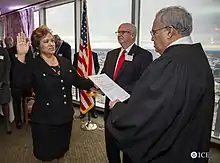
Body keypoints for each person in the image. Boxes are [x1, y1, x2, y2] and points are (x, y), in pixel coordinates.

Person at [106, 6, 215, 163]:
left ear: (169, 31)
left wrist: (117, 109)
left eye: (154, 32)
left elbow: (147, 117)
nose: (152, 38)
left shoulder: (169, 64)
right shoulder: (197, 58)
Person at [14, 25, 95, 163]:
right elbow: (19, 84)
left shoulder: (64, 62)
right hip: (45, 120)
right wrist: (21, 57)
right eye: (46, 41)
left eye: (52, 40)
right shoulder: (33, 65)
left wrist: (93, 84)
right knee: (46, 155)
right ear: (37, 45)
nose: (51, 44)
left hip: (65, 116)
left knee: (61, 151)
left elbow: (76, 80)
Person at [101, 23, 153, 163]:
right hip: (110, 107)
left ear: (133, 35)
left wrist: (122, 94)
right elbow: (105, 75)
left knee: (128, 147)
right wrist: (98, 84)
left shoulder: (144, 56)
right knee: (111, 144)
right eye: (118, 32)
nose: (120, 34)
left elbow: (144, 84)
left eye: (124, 32)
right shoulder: (111, 54)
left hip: (129, 108)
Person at [7, 38, 34, 129]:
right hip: (16, 83)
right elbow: (9, 68)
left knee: (27, 101)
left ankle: (28, 117)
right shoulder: (10, 51)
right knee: (17, 103)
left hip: (27, 82)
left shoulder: (29, 51)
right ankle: (18, 121)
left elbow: (30, 65)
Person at [73, 51, 100, 118]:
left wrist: (92, 75)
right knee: (82, 96)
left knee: (92, 96)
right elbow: (74, 67)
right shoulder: (77, 55)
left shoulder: (94, 54)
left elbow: (97, 66)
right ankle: (83, 112)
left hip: (91, 80)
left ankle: (93, 112)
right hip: (81, 80)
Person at [0, 47, 12, 134]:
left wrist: (3, 81)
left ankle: (7, 123)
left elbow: (8, 67)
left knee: (5, 103)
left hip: (3, 83)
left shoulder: (3, 51)